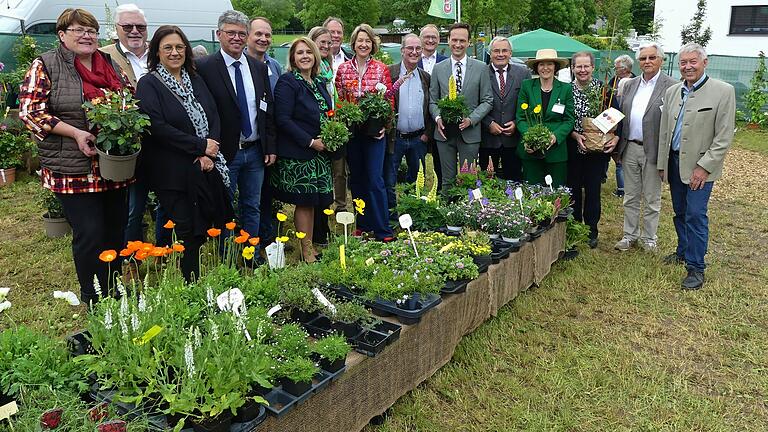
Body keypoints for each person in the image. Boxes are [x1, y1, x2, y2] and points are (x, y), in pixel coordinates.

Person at [19, 8, 132, 306]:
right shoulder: (46, 64)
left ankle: (114, 287)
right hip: (72, 168)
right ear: (62, 35)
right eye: (79, 30)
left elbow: (130, 100)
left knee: (115, 229)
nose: (87, 36)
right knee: (90, 233)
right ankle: (92, 295)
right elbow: (31, 113)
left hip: (111, 164)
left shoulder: (108, 63)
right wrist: (76, 133)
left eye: (92, 31)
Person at [136, 25, 231, 281]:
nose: (175, 52)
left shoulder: (195, 80)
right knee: (187, 228)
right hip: (172, 172)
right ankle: (190, 283)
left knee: (204, 225)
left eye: (179, 47)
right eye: (168, 47)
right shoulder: (149, 84)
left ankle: (196, 275)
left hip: (205, 165)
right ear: (156, 51)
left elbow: (213, 115)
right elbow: (156, 127)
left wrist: (209, 153)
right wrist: (198, 147)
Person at [196, 10, 276, 255]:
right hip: (224, 152)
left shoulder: (257, 67)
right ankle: (227, 256)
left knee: (252, 205)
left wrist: (270, 146)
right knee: (224, 206)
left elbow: (267, 108)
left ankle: (250, 253)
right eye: (231, 33)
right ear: (219, 34)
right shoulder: (204, 67)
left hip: (255, 151)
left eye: (242, 34)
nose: (237, 38)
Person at [657, 42, 735, 290]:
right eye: (683, 62)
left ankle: (696, 267)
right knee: (679, 212)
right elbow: (664, 132)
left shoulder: (723, 91)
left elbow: (723, 138)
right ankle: (682, 250)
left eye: (693, 61)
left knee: (695, 215)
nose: (687, 66)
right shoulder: (673, 92)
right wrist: (662, 164)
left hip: (700, 167)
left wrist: (704, 167)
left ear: (704, 62)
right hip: (674, 163)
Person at [99, 4, 157, 249]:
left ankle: (164, 247)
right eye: (128, 26)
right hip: (129, 141)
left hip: (163, 138)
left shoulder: (159, 52)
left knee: (164, 200)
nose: (135, 31)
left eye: (140, 26)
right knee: (132, 205)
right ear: (117, 29)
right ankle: (130, 254)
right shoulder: (104, 55)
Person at [272, 37, 334, 262]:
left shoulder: (316, 82)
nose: (305, 56)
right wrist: (310, 141)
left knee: (314, 202)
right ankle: (306, 250)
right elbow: (283, 119)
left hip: (319, 154)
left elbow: (326, 113)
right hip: (300, 154)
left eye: (309, 52)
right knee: (305, 202)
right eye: (300, 53)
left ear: (315, 56)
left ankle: (310, 247)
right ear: (292, 58)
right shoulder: (288, 82)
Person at [613, 43, 676, 253]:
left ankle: (650, 238)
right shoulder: (629, 84)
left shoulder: (671, 86)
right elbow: (621, 115)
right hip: (630, 147)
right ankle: (629, 235)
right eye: (643, 58)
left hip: (654, 150)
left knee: (652, 198)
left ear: (661, 60)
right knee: (630, 196)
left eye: (651, 58)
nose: (647, 62)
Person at [335, 24, 394, 241]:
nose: (364, 44)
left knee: (375, 179)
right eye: (360, 40)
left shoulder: (381, 68)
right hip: (352, 133)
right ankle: (363, 224)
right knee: (357, 179)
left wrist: (384, 126)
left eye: (368, 41)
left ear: (373, 44)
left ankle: (382, 229)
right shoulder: (343, 69)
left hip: (374, 133)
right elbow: (339, 99)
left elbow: (389, 100)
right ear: (353, 43)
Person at [428, 22, 493, 191]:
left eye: (462, 40)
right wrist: (437, 118)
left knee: (469, 180)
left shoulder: (481, 68)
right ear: (448, 40)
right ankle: (447, 213)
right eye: (454, 40)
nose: (458, 44)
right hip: (444, 133)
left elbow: (487, 100)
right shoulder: (438, 69)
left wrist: (471, 120)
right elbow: (433, 100)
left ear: (469, 42)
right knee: (447, 181)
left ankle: (467, 214)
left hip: (469, 133)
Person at [567, 51, 617, 248]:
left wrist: (613, 136)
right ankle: (575, 226)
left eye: (586, 66)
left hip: (596, 152)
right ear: (572, 68)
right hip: (573, 148)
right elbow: (563, 119)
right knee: (573, 190)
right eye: (578, 66)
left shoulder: (603, 90)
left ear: (592, 67)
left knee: (593, 191)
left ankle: (591, 230)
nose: (582, 70)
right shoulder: (565, 90)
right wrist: (574, 134)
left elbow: (615, 115)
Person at [384, 34, 432, 215]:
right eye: (410, 48)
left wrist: (427, 133)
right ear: (402, 50)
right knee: (389, 179)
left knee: (417, 179)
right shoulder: (390, 73)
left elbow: (431, 106)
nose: (414, 52)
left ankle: (413, 214)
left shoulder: (425, 77)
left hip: (419, 138)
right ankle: (392, 215)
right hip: (395, 138)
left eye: (418, 49)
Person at [246, 16, 283, 246]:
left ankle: (267, 237)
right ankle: (247, 240)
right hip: (245, 141)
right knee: (249, 197)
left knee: (266, 192)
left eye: (267, 35)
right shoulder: (240, 65)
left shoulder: (274, 65)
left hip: (268, 140)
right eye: (258, 34)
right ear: (249, 36)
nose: (263, 38)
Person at [515, 49, 574, 187]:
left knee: (557, 192)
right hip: (531, 151)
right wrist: (530, 138)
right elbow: (520, 117)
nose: (545, 68)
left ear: (556, 67)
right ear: (536, 67)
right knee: (532, 192)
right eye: (541, 64)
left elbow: (569, 120)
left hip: (556, 152)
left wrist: (555, 136)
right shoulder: (527, 86)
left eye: (550, 64)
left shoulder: (565, 89)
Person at [479, 36, 530, 180]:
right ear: (490, 53)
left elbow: (528, 103)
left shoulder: (523, 74)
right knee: (487, 181)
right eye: (496, 51)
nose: (500, 54)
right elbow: (474, 103)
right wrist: (488, 123)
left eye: (504, 51)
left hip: (513, 139)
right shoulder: (480, 73)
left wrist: (516, 122)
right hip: (488, 139)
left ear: (510, 53)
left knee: (514, 181)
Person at [308, 26, 336, 246]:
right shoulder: (313, 72)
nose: (326, 46)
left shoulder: (327, 67)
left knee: (327, 187)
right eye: (321, 42)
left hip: (328, 134)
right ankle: (317, 234)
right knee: (316, 189)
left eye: (328, 43)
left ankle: (322, 230)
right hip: (312, 139)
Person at [324, 17, 350, 212]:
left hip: (343, 121)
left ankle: (340, 206)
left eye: (338, 32)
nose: (335, 36)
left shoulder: (349, 59)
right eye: (331, 32)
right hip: (321, 121)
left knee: (340, 168)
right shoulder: (315, 59)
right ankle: (323, 205)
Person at [417, 23, 448, 190]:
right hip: (418, 121)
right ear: (421, 39)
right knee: (417, 165)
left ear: (438, 40)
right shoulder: (412, 60)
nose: (430, 40)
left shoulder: (446, 62)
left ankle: (441, 192)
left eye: (433, 37)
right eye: (426, 37)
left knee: (440, 160)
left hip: (438, 120)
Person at [606, 54, 635, 197]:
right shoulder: (613, 81)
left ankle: (623, 189)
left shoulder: (634, 82)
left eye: (616, 68)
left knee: (620, 159)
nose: (615, 70)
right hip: (613, 122)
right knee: (614, 154)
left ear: (624, 69)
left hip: (628, 124)